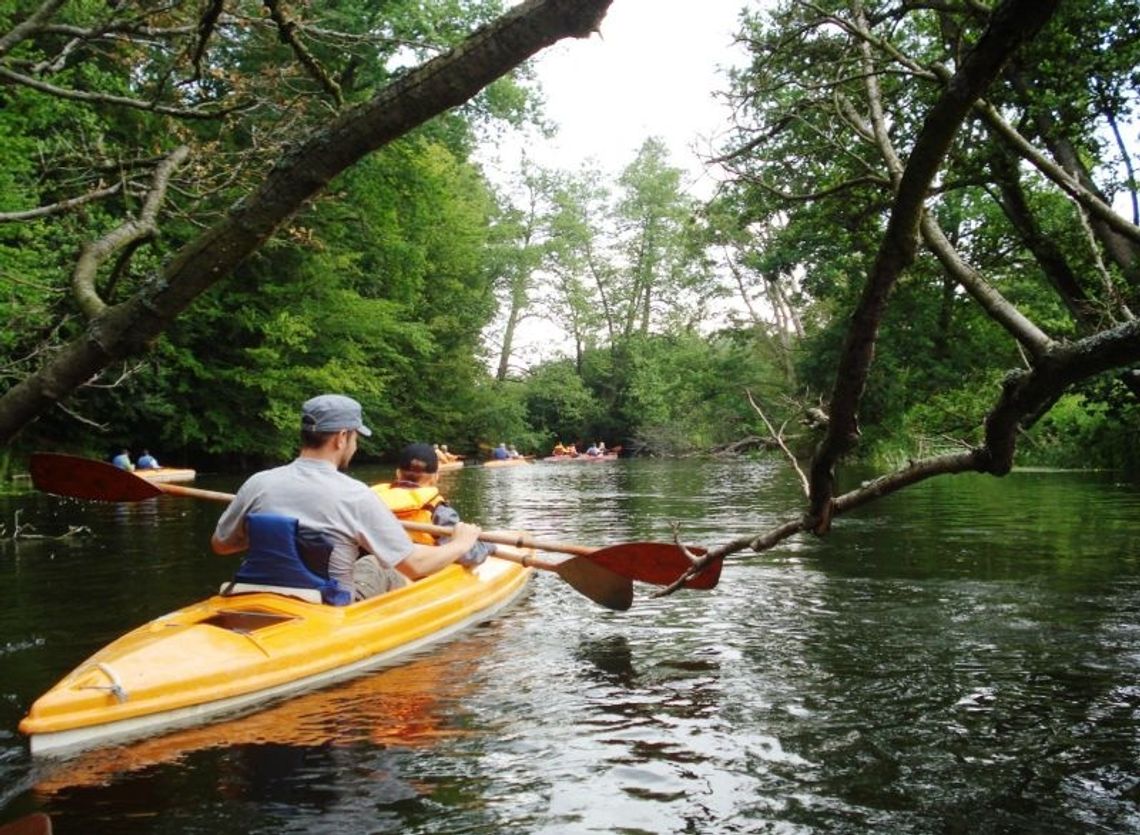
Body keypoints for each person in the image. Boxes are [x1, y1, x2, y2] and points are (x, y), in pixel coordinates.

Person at [211, 394, 481, 604]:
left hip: (252, 593)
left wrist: (278, 536)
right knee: (379, 564)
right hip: (328, 604)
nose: (355, 445)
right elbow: (414, 565)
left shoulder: (258, 483)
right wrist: (460, 544)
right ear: (341, 438)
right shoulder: (356, 495)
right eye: (355, 438)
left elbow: (221, 545)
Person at [373, 443, 494, 565]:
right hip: (419, 574)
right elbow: (467, 555)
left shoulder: (370, 500)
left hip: (376, 565)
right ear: (436, 477)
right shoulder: (438, 511)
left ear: (398, 474)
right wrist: (489, 547)